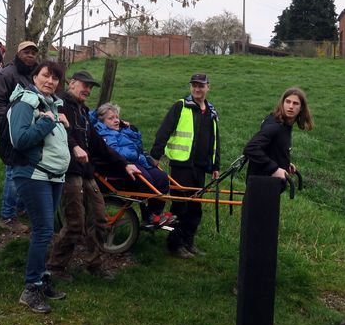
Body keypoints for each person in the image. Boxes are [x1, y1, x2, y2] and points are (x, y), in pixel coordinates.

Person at [46, 71, 141, 282]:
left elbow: (98, 143)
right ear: (72, 83)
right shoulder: (59, 104)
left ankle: (94, 265)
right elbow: (59, 131)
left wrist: (125, 164)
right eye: (84, 85)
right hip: (69, 171)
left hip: (87, 172)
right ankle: (55, 266)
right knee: (74, 223)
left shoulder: (82, 111)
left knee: (99, 218)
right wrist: (75, 147)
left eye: (90, 87)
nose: (87, 90)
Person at [9, 60, 70, 313]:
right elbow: (19, 139)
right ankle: (30, 288)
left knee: (47, 230)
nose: (50, 81)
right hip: (33, 175)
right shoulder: (26, 102)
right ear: (34, 77)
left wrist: (55, 119)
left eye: (55, 78)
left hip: (53, 176)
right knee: (43, 231)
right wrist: (47, 123)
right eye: (45, 75)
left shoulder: (51, 105)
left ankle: (42, 278)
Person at [150, 73, 221, 259]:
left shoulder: (211, 111)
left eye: (201, 86)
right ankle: (174, 244)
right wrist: (155, 156)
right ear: (191, 87)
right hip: (181, 165)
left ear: (208, 87)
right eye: (194, 86)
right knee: (180, 206)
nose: (197, 89)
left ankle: (188, 242)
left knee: (195, 207)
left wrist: (215, 165)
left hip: (200, 167)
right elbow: (164, 130)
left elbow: (215, 140)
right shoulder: (181, 106)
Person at [91, 102, 175, 227]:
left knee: (162, 178)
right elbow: (114, 153)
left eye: (117, 117)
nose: (116, 120)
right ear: (102, 121)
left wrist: (129, 129)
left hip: (136, 162)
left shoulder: (120, 131)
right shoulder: (104, 134)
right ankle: (149, 217)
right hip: (118, 167)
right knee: (147, 180)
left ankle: (156, 214)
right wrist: (134, 154)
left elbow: (137, 144)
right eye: (111, 118)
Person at [0, 40, 39, 231]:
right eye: (26, 52)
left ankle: (21, 207)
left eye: (33, 52)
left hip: (32, 131)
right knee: (13, 173)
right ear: (18, 53)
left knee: (28, 169)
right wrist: (9, 122)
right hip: (11, 131)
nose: (30, 55)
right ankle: (7, 216)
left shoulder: (36, 74)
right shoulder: (8, 74)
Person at [243, 87, 314, 182]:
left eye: (295, 103)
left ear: (301, 108)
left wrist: (284, 163)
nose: (291, 106)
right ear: (282, 103)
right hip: (261, 184)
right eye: (288, 102)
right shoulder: (275, 126)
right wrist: (274, 169)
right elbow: (251, 148)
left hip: (268, 183)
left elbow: (272, 148)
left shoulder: (285, 124)